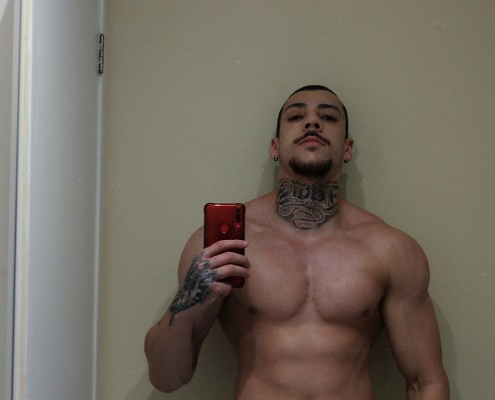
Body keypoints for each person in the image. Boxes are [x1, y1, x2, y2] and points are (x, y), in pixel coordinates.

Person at [144, 85, 449, 399]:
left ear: (347, 149)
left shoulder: (390, 249)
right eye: (296, 116)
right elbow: (166, 378)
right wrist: (188, 301)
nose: (312, 122)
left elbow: (426, 382)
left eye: (328, 117)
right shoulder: (224, 243)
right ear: (274, 147)